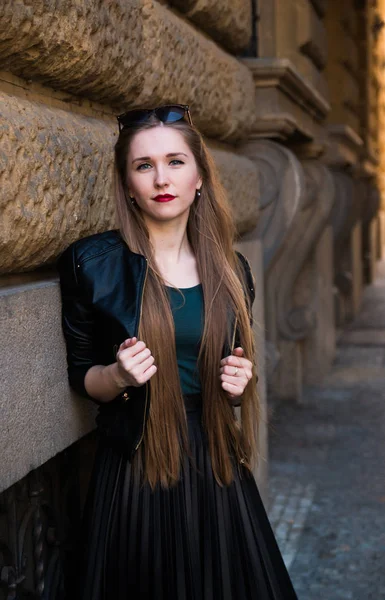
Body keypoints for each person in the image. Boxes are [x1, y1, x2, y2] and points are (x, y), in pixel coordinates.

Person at [57, 104, 297, 599]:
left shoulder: (231, 269)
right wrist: (119, 376)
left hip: (215, 466)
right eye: (144, 166)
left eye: (175, 161)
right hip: (136, 464)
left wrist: (238, 385)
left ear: (200, 177)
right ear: (126, 183)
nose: (161, 178)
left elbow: (234, 373)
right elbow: (82, 375)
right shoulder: (92, 264)